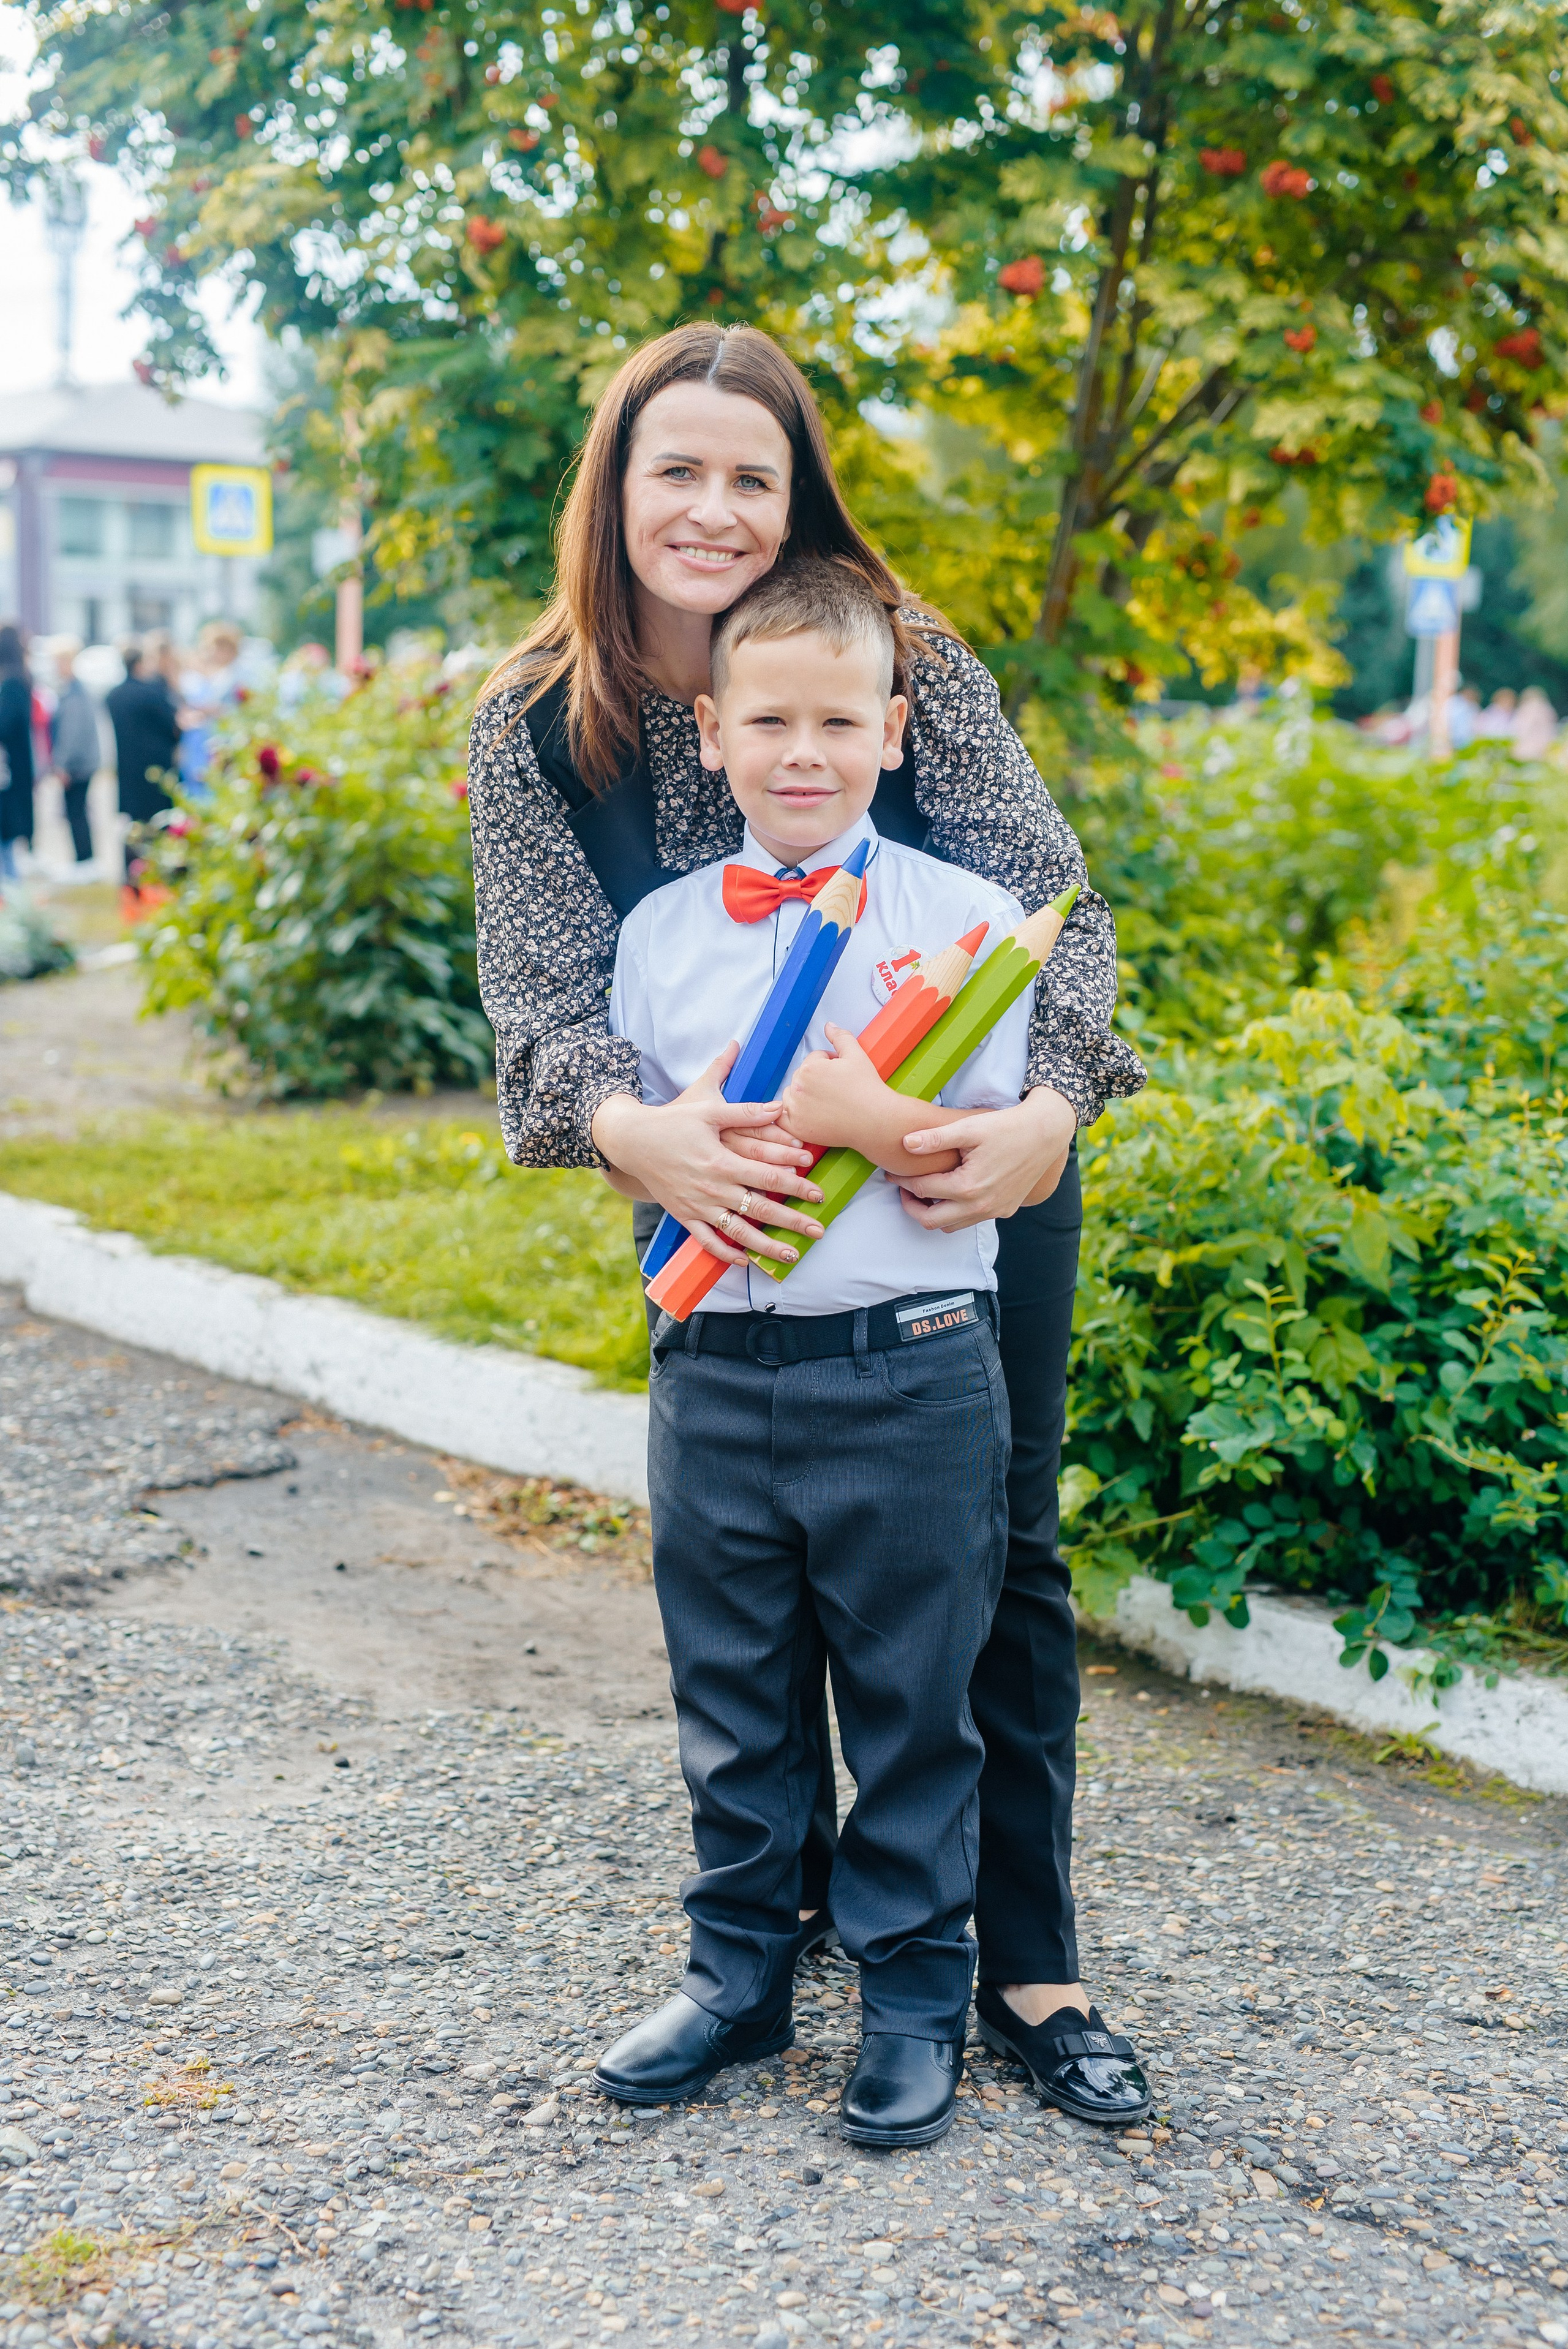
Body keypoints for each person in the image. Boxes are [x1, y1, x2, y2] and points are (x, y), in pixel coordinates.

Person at [467, 323, 1152, 2126]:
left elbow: (1056, 914)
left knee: (992, 1559)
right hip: (715, 1191)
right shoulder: (537, 724)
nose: (712, 507)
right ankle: (760, 1952)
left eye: (750, 476)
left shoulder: (899, 655)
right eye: (674, 470)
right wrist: (636, 1135)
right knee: (747, 1611)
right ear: (613, 489)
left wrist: (1042, 1121)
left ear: (798, 495)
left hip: (957, 1168)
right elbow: (542, 1008)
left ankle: (1021, 1966)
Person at [593, 560, 1077, 2145]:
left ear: (894, 730)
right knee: (733, 1699)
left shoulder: (972, 925)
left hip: (911, 1369)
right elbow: (646, 1147)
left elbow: (974, 1167)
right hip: (717, 1371)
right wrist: (661, 1142)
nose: (803, 754)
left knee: (914, 1706)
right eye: (769, 723)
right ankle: (735, 1976)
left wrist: (860, 1114)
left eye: (837, 723)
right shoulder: (661, 932)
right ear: (711, 736)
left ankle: (917, 1999)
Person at [105, 638, 181, 885]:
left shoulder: (114, 696)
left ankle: (132, 877)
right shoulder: (151, 694)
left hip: (128, 771)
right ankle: (160, 876)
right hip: (156, 769)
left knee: (134, 826)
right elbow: (173, 727)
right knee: (160, 824)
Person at [48, 638, 103, 866]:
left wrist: (61, 763)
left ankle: (85, 860)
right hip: (82, 762)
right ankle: (84, 859)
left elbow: (70, 733)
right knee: (77, 811)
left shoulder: (74, 693)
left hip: (78, 764)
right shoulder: (74, 690)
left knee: (76, 812)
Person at [0, 624, 36, 882]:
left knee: (6, 836)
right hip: (12, 770)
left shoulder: (12, 683)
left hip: (9, 771)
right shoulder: (18, 679)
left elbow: (5, 724)